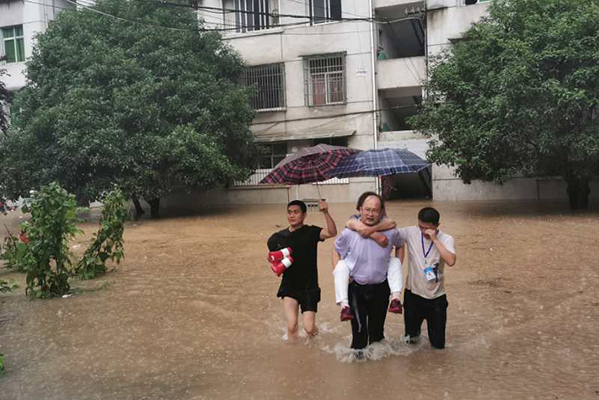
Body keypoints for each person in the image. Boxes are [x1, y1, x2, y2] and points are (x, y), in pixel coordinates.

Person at [333, 193, 404, 351]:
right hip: (356, 288)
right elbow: (336, 249)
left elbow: (400, 245)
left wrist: (396, 268)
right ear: (360, 209)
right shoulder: (349, 232)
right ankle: (358, 364)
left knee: (377, 334)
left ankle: (378, 365)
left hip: (381, 287)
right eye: (367, 209)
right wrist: (340, 274)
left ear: (381, 212)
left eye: (375, 210)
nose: (371, 214)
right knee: (359, 335)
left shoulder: (391, 231)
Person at [267, 200, 337, 341]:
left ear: (304, 215)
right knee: (292, 326)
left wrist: (326, 212)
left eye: (296, 212)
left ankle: (317, 339)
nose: (292, 215)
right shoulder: (278, 238)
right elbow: (272, 258)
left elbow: (332, 232)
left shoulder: (311, 232)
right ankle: (293, 353)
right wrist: (274, 263)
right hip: (289, 286)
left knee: (309, 328)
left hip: (309, 287)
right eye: (289, 212)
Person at [399, 207, 456, 349]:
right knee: (411, 342)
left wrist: (434, 239)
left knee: (438, 345)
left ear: (437, 225)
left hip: (436, 298)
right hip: (413, 296)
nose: (424, 231)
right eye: (421, 227)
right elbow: (390, 231)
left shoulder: (446, 239)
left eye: (428, 228)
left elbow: (451, 261)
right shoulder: (411, 232)